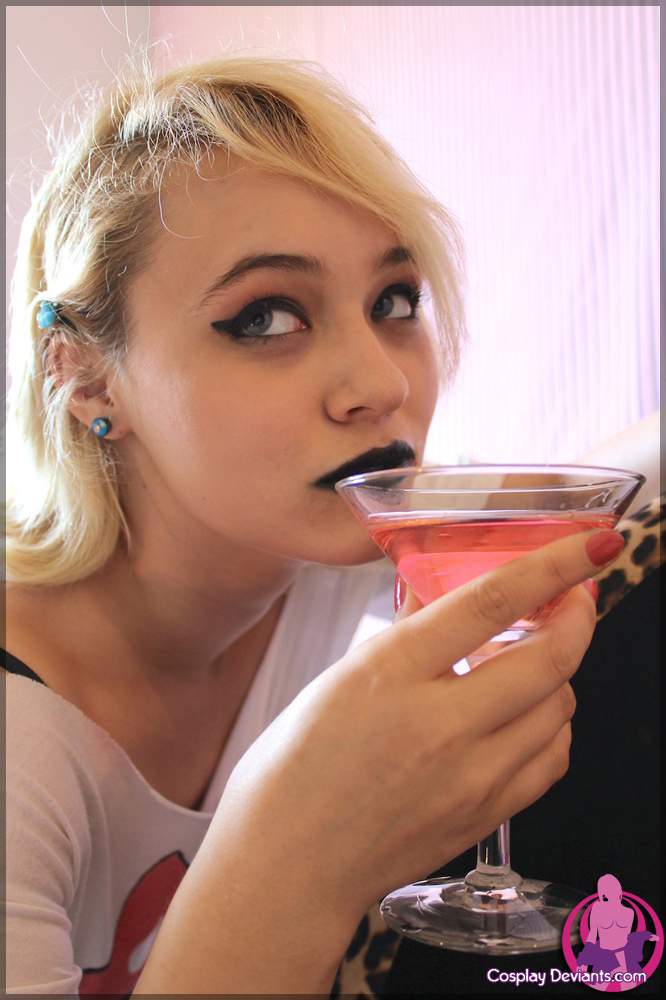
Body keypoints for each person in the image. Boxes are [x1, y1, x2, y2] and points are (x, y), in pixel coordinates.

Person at [2, 52, 635, 996]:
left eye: (394, 302)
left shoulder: (330, 556)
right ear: (87, 377)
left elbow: (592, 480)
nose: (381, 383)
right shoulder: (20, 750)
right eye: (266, 318)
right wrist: (297, 857)